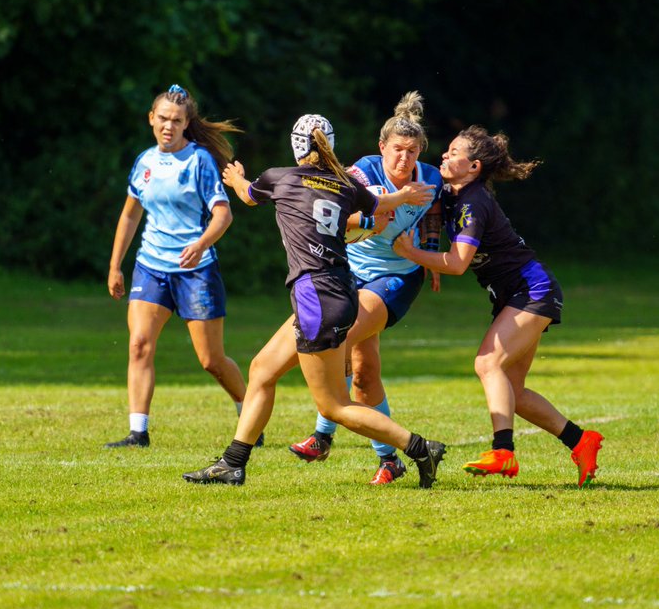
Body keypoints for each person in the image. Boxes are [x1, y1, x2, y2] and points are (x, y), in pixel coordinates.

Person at [182, 114, 447, 487]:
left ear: (296, 146)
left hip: (317, 298)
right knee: (262, 369)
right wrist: (402, 197)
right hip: (337, 291)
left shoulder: (281, 177)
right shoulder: (343, 184)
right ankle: (233, 462)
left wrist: (236, 177)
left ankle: (420, 448)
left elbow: (246, 195)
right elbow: (376, 206)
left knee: (335, 405)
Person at [392, 126, 603, 486]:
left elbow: (457, 264)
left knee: (487, 364)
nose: (444, 155)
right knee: (513, 392)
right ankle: (581, 441)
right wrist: (429, 248)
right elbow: (431, 206)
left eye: (454, 152)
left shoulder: (474, 202)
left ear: (473, 167)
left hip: (531, 291)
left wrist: (414, 254)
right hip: (516, 295)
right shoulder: (450, 190)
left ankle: (503, 453)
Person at [286, 91, 446, 485]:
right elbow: (344, 212)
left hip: (396, 278)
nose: (403, 159)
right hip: (351, 273)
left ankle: (322, 436)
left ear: (420, 151)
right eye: (397, 150)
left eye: (412, 151)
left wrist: (428, 253)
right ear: (381, 147)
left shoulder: (430, 179)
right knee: (364, 373)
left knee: (340, 338)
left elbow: (434, 212)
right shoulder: (362, 172)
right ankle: (390, 460)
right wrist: (368, 219)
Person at [104, 84, 248, 448]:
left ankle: (249, 412)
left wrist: (200, 245)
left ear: (187, 124)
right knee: (138, 344)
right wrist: (115, 265)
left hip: (196, 272)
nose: (169, 126)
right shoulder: (145, 161)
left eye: (177, 121)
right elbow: (130, 214)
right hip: (151, 266)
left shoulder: (199, 161)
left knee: (211, 360)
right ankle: (138, 432)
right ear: (151, 119)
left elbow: (223, 214)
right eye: (163, 119)